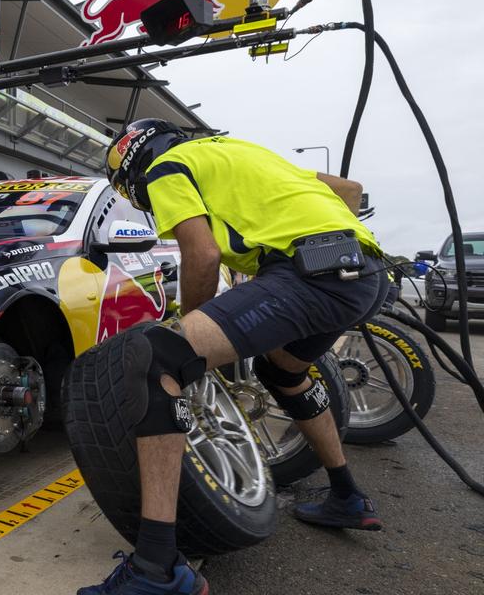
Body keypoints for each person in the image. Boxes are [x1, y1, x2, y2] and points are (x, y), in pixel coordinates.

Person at [79, 119, 387, 594]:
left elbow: (200, 256)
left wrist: (193, 350)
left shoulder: (166, 168)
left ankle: (157, 569)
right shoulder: (245, 153)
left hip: (308, 278)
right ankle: (347, 495)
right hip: (363, 273)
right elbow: (350, 189)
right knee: (283, 370)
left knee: (160, 360)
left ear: (132, 172)